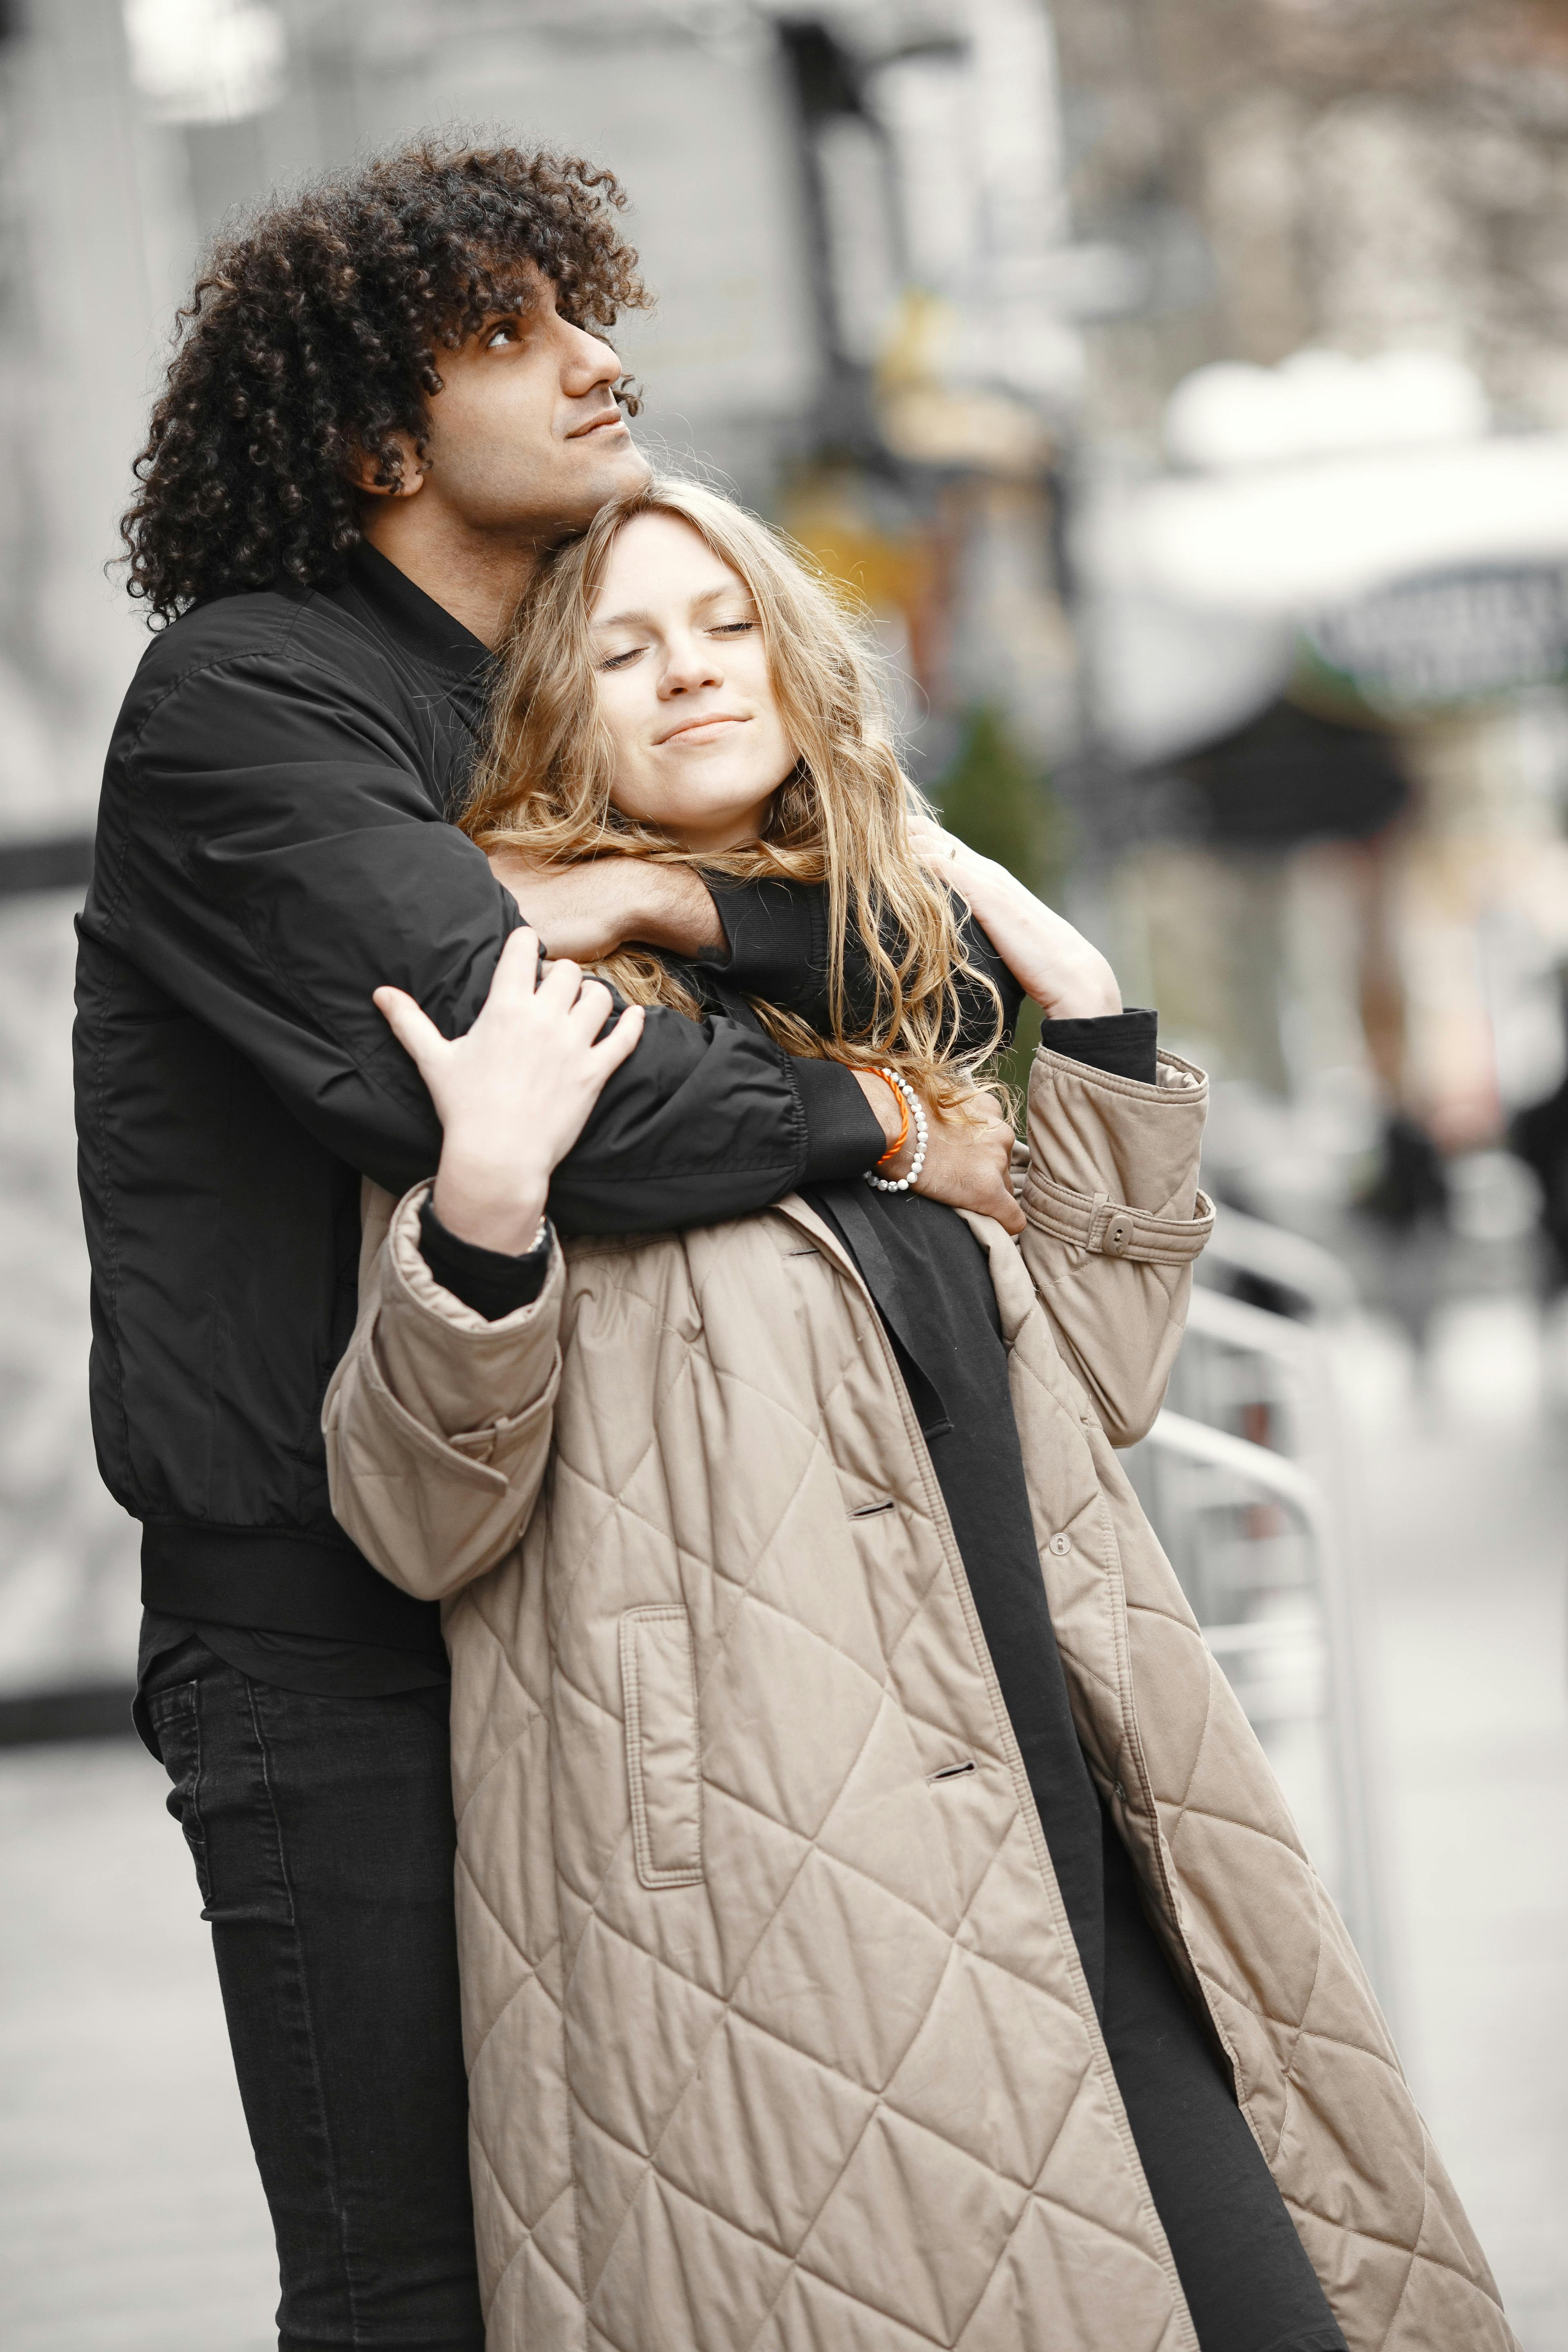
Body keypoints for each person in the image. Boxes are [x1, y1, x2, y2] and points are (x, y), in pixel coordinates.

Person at [326, 480, 1517, 2352]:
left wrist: (1091, 1013)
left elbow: (1104, 1378)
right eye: (626, 650)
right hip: (792, 1890)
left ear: (800, 667)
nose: (692, 673)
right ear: (560, 715)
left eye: (726, 627)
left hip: (1092, 1827)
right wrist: (481, 1204)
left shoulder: (876, 999)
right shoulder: (542, 1025)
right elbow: (416, 1512)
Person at [75, 142, 1013, 2349]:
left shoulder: (579, 654)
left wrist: (681, 899)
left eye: (584, 312)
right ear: (375, 439)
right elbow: (552, 1096)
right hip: (331, 1636)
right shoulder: (248, 709)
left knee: (679, 2239)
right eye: (513, 333)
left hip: (626, 1592)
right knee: (422, 2283)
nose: (599, 363)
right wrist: (869, 1113)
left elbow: (934, 946)